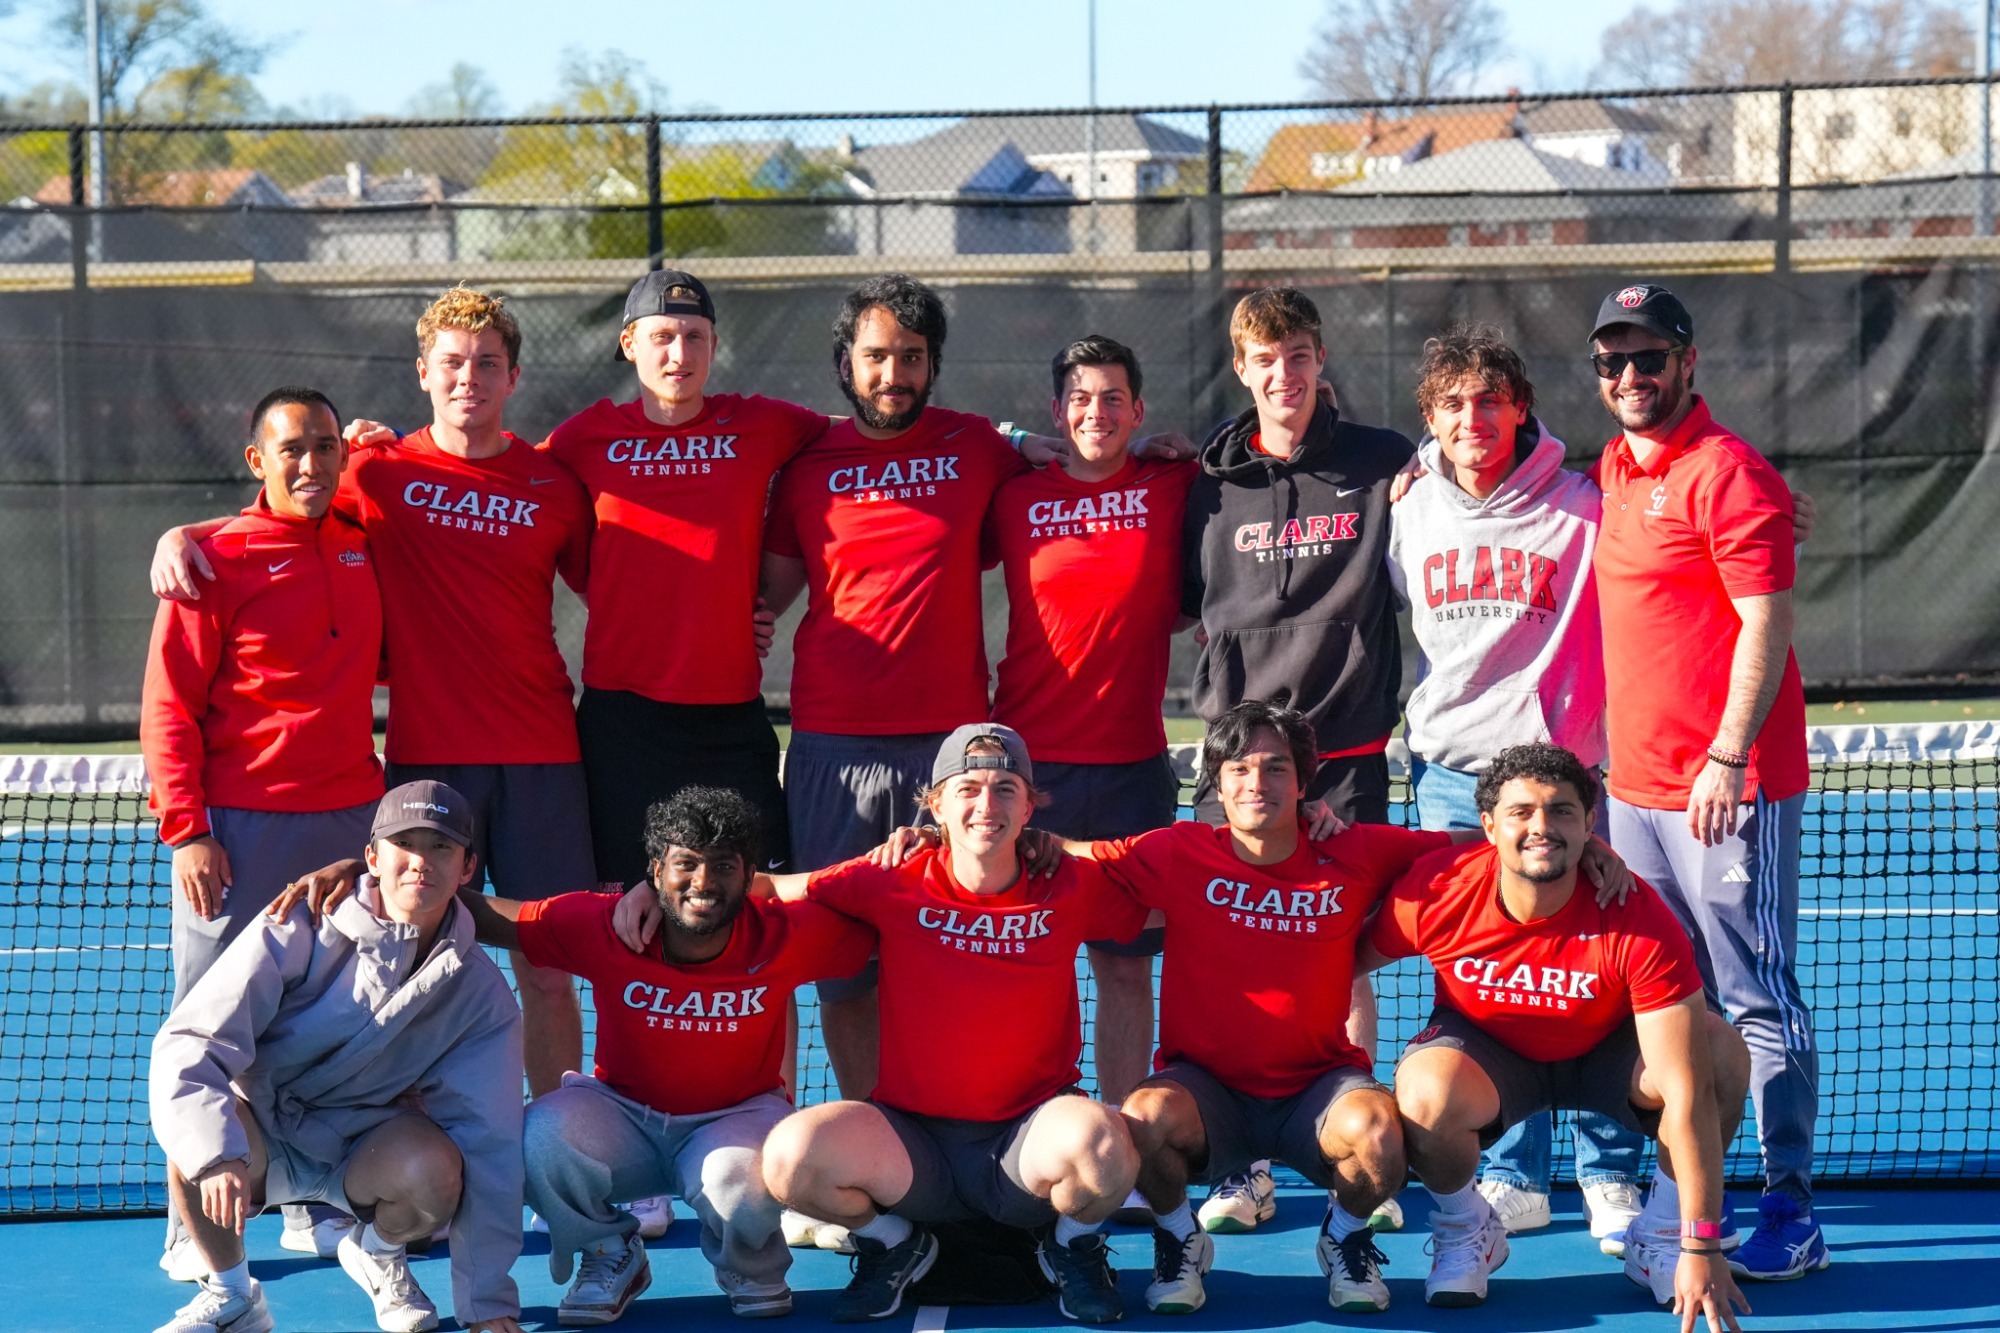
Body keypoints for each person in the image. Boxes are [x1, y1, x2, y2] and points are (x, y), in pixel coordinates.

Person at [151, 286, 598, 1100]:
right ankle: (413, 1161)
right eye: (453, 363)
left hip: (543, 756)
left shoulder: (556, 486)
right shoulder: (374, 470)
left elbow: (619, 589)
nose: (471, 378)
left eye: (488, 363)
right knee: (408, 971)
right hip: (424, 766)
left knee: (548, 969)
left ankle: (571, 1157)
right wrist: (181, 535)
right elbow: (281, 515)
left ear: (514, 376)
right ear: (423, 372)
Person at [1055, 702, 1633, 1316]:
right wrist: (966, 832)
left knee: (1383, 1136)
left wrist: (1583, 843)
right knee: (1141, 1120)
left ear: (1304, 784)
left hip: (1318, 1086)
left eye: (1277, 769)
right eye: (1240, 769)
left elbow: (1474, 842)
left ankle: (1344, 1237)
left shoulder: (1357, 850)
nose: (1258, 784)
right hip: (1205, 1091)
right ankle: (1178, 1238)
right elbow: (1071, 853)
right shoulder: (1176, 851)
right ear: (1215, 784)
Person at [276, 786, 876, 1324]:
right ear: (654, 872)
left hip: (736, 1120)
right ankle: (609, 1253)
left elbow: (888, 922)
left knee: (734, 1178)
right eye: (685, 865)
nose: (703, 882)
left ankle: (751, 1266)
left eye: (723, 867)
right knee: (537, 1136)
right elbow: (482, 914)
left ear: (748, 877)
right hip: (623, 1119)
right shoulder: (602, 926)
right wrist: (373, 873)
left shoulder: (790, 934)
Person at [618, 725, 1151, 1324]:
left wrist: (1066, 846)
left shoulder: (1069, 883)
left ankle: (1070, 1248)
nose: (987, 805)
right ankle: (896, 1244)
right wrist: (652, 885)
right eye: (968, 788)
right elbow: (772, 888)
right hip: (912, 1146)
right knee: (790, 1159)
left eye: (1006, 789)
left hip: (1027, 1141)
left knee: (1109, 1145)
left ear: (1030, 806)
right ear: (936, 803)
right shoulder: (890, 875)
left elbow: (1175, 893)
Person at [1385, 327, 1650, 1251]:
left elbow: (1678, 524)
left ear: (1520, 407)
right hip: (1451, 782)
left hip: (1567, 786)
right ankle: (1511, 1173)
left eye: (1490, 400)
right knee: (1485, 978)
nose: (1473, 418)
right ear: (1432, 418)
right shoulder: (1407, 510)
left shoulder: (1584, 503)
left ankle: (1613, 1170)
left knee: (1601, 970)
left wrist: (1771, 514)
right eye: (1454, 403)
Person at [1587, 283, 1825, 1281]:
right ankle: (1693, 1190)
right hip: (1630, 792)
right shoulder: (1610, 464)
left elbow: (1762, 623)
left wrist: (1726, 754)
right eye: (1612, 363)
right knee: (1663, 998)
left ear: (1687, 364)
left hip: (1724, 787)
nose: (1630, 378)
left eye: (1648, 359)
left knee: (1754, 995)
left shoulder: (1728, 473)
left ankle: (1787, 1202)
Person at [755, 274, 1038, 1099]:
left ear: (933, 364)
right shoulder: (805, 466)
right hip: (831, 747)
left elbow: (1059, 474)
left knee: (961, 946)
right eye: (877, 356)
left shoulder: (981, 446)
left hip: (955, 758)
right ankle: (866, 1127)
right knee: (844, 960)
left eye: (911, 358)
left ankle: (959, 1119)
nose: (894, 374)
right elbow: (767, 595)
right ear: (846, 363)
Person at [1361, 743, 1754, 1331]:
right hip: (1490, 1056)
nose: (1541, 827)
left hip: (1609, 1053)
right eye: (1521, 812)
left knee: (1717, 1053)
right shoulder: (1438, 892)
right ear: (1489, 825)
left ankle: (1662, 1233)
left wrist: (1702, 1245)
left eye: (1561, 811)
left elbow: (1689, 1091)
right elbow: (1337, 962)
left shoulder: (1636, 914)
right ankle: (1468, 1231)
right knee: (1423, 1092)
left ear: (1591, 823)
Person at [1177, 284, 1415, 1234]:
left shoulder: (1385, 462)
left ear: (1322, 361)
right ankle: (1241, 1164)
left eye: (1302, 355)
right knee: (1231, 951)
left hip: (1347, 749)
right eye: (1267, 359)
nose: (1287, 374)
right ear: (1243, 367)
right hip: (1235, 761)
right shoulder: (1205, 482)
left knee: (1344, 952)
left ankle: (1348, 1139)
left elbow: (1499, 471)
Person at [139, 386, 386, 1274]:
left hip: (350, 826)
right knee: (211, 1035)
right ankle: (190, 1223)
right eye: (291, 449)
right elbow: (168, 710)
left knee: (327, 1024)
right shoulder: (210, 561)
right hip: (238, 833)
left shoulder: (364, 546)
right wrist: (189, 832)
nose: (311, 463)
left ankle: (305, 1199)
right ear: (258, 461)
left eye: (326, 446)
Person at [148, 781, 525, 1333]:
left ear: (468, 868)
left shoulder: (483, 999)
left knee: (441, 1173)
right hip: (265, 1130)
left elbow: (489, 1141)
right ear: (372, 856)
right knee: (196, 1138)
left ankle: (375, 1250)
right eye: (406, 843)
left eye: (441, 847)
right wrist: (214, 1154)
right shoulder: (294, 923)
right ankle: (233, 1297)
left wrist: (489, 1308)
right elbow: (193, 1042)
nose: (421, 861)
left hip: (368, 1149)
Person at [543, 271, 827, 882]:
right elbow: (494, 469)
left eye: (696, 338)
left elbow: (873, 432)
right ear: (629, 344)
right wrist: (383, 443)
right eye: (664, 336)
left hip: (730, 715)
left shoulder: (764, 426)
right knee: (627, 904)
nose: (680, 355)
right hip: (623, 718)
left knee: (757, 898)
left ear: (715, 347)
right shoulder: (583, 439)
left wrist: (1006, 438)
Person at [984, 334, 1196, 1105]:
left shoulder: (1177, 481)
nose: (1095, 412)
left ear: (1138, 410)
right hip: (1026, 771)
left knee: (1125, 966)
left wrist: (1196, 447)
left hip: (1132, 767)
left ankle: (1125, 1131)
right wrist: (1011, 441)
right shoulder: (1012, 491)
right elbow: (951, 446)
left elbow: (1263, 456)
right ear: (1056, 411)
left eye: (1113, 398)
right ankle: (1018, 1127)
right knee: (1022, 958)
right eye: (1079, 397)